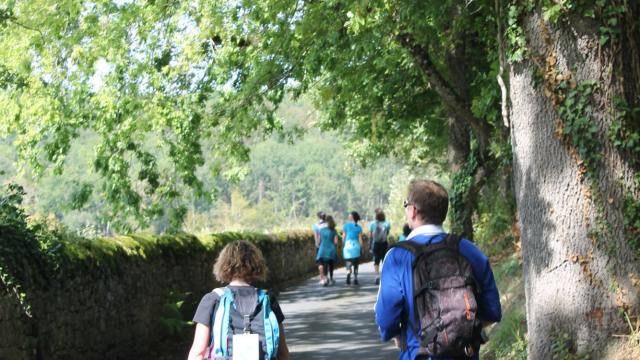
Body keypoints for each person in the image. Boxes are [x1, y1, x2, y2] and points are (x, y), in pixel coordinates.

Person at [375, 179, 501, 359]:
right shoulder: (469, 250)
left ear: (413, 211)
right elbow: (493, 311)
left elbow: (386, 319)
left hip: (418, 353)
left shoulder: (397, 257)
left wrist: (397, 336)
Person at [188, 240, 289, 360]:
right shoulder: (268, 299)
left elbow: (198, 353)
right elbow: (282, 353)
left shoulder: (212, 300)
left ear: (223, 265)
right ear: (255, 265)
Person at [368, 209, 390, 285]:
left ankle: (377, 275)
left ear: (376, 217)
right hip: (384, 243)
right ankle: (384, 276)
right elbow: (387, 234)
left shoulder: (372, 224)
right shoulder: (387, 224)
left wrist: (370, 246)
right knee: (384, 259)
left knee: (376, 260)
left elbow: (370, 236)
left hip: (376, 244)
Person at [342, 211, 364, 285]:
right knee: (356, 263)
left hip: (348, 246)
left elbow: (343, 237)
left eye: (349, 216)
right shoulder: (359, 227)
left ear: (351, 217)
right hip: (356, 246)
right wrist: (361, 247)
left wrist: (343, 245)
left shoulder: (345, 226)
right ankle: (355, 278)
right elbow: (360, 239)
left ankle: (348, 273)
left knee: (348, 263)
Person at [316, 215, 339, 286]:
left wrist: (319, 245)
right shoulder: (334, 230)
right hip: (331, 249)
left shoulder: (321, 230)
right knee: (331, 264)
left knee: (323, 263)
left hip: (322, 249)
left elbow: (319, 241)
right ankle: (331, 278)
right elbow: (336, 242)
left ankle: (325, 278)